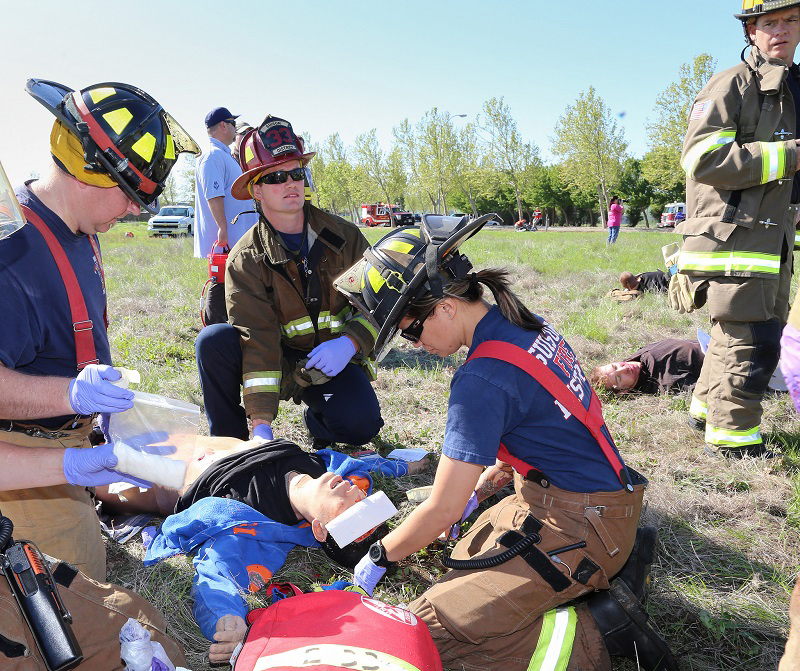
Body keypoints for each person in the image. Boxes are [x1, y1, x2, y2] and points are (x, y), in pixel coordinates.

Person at [335, 216, 675, 671]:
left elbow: (442, 509)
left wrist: (380, 555)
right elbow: (547, 423)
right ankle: (611, 566)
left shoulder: (481, 378)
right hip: (581, 500)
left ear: (445, 307)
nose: (414, 345)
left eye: (411, 330)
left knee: (432, 638)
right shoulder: (523, 325)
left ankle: (605, 633)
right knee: (463, 559)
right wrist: (489, 482)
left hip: (580, 521)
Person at [0, 78, 198, 580]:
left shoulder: (79, 229)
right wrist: (71, 394)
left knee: (183, 484)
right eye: (131, 195)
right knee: (86, 595)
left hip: (74, 441)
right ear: (90, 174)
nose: (136, 210)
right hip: (20, 455)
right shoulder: (12, 252)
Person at [194, 115, 383, 447]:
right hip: (275, 359)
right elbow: (258, 340)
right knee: (214, 342)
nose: (291, 183)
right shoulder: (245, 259)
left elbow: (376, 305)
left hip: (330, 358)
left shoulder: (346, 238)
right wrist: (262, 425)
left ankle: (320, 421)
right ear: (255, 190)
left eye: (297, 173)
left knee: (360, 425)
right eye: (277, 177)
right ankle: (230, 445)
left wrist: (349, 344)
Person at [670, 1, 800, 456]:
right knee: (753, 339)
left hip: (771, 241)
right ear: (751, 30)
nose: (781, 30)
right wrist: (790, 156)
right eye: (770, 23)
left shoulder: (790, 87)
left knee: (737, 332)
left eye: (791, 20)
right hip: (733, 240)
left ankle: (706, 409)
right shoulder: (732, 84)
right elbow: (702, 159)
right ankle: (734, 439)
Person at [142, 437, 387, 663]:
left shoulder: (254, 525)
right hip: (199, 435)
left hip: (160, 473)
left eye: (353, 506)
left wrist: (228, 618)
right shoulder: (326, 469)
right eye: (364, 496)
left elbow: (217, 570)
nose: (354, 490)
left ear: (320, 530)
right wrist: (403, 466)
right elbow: (361, 469)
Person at [193, 106, 258, 260]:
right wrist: (222, 228)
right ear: (223, 125)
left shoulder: (222, 154)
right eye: (232, 123)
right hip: (227, 246)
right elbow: (213, 195)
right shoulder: (212, 156)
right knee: (226, 284)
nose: (235, 128)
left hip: (237, 242)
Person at [590, 339, 704, 394]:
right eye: (619, 377)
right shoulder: (664, 381)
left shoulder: (638, 356)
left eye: (615, 366)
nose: (624, 368)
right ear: (623, 391)